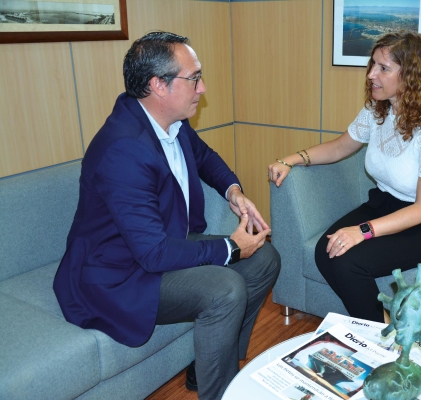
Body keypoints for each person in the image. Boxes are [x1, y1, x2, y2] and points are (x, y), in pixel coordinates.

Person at [53, 31, 280, 400]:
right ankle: (220, 394)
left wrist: (234, 192)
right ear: (159, 85)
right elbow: (152, 254)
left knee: (265, 258)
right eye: (193, 78)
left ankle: (212, 365)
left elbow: (205, 157)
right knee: (225, 287)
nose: (202, 87)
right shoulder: (123, 150)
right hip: (117, 274)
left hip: (156, 245)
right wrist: (230, 247)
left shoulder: (169, 120)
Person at [268, 31, 421, 323]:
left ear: (410, 75)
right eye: (373, 64)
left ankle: (378, 337)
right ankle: (380, 322)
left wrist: (362, 231)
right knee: (326, 249)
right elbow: (340, 147)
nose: (372, 74)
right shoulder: (378, 109)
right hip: (385, 204)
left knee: (349, 263)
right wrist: (291, 159)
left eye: (384, 68)